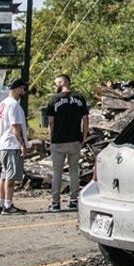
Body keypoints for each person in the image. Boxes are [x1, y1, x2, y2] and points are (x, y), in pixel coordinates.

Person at [44, 74, 89, 212]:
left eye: (56, 82)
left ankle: (55, 203)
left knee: (57, 172)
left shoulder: (53, 100)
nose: (54, 85)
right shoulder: (80, 98)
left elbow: (50, 122)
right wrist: (84, 137)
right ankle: (73, 201)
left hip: (58, 141)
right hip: (75, 139)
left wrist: (51, 139)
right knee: (73, 171)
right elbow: (86, 119)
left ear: (63, 83)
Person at [0, 77, 29, 215]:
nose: (24, 92)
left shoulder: (2, 104)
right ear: (18, 89)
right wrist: (22, 144)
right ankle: (8, 205)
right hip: (11, 144)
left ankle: (0, 203)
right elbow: (15, 127)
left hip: (3, 144)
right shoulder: (14, 105)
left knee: (4, 174)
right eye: (23, 89)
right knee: (11, 176)